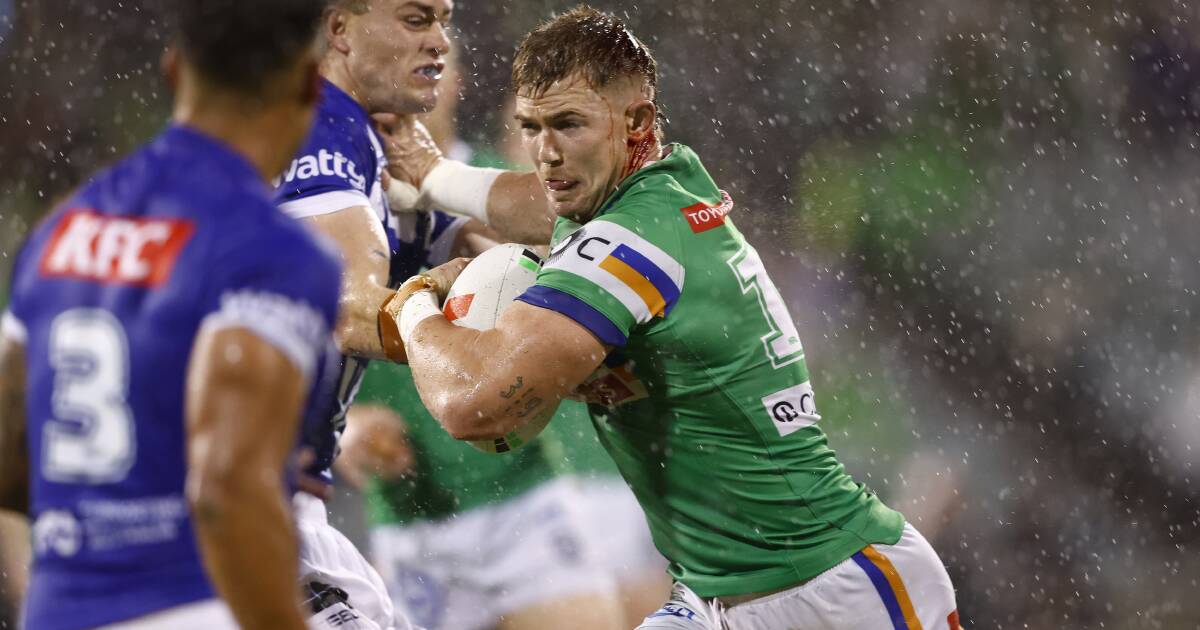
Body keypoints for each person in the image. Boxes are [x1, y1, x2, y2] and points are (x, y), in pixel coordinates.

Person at [384, 7, 962, 629]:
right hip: (719, 598)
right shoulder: (658, 185)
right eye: (532, 127)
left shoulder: (630, 242)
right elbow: (534, 203)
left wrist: (414, 301)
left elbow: (476, 402)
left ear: (637, 122)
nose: (545, 154)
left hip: (831, 591)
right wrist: (434, 175)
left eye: (568, 125)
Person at [0, 1, 337, 628]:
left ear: (175, 71)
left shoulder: (62, 227)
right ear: (311, 83)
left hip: (56, 609)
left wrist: (111, 503)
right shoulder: (273, 248)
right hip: (191, 603)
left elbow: (7, 455)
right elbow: (225, 491)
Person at [272, 2, 561, 628]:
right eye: (414, 19)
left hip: (275, 498)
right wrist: (453, 336)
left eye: (442, 20)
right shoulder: (315, 127)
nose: (438, 40)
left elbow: (527, 243)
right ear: (339, 28)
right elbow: (347, 310)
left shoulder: (372, 141)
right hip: (247, 498)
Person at [330, 42, 629, 630]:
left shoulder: (509, 189)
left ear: (454, 80)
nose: (396, 98)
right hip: (413, 517)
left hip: (523, 493)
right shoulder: (336, 216)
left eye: (422, 68)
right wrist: (350, 433)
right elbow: (312, 357)